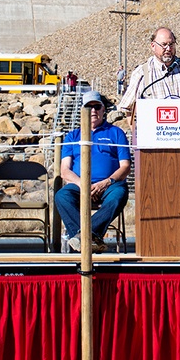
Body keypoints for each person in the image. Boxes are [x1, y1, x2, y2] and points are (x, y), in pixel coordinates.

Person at [55, 91, 131, 252]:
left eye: (97, 106)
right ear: (83, 111)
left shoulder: (116, 133)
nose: (94, 111)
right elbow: (65, 170)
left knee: (119, 195)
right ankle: (88, 238)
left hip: (109, 184)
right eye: (89, 108)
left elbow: (125, 166)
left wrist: (106, 183)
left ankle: (82, 237)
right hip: (79, 184)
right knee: (62, 196)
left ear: (104, 109)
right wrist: (83, 185)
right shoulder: (73, 136)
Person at [118, 26, 180, 112]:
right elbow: (127, 108)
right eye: (164, 45)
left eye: (171, 44)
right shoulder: (142, 73)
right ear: (153, 46)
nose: (168, 48)